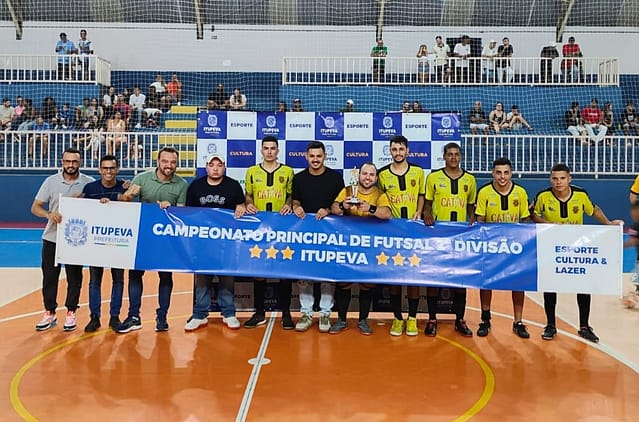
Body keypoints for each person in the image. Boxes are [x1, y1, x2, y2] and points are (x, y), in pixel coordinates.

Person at [531, 163, 623, 343]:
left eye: (562, 178)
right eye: (555, 178)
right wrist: (546, 224)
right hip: (552, 247)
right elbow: (533, 214)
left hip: (576, 247)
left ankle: (584, 326)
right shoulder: (543, 196)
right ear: (550, 179)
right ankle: (550, 325)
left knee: (583, 285)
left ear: (569, 179)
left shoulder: (580, 195)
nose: (558, 182)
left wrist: (608, 224)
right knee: (550, 285)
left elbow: (593, 209)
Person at [117, 147, 188, 333]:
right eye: (165, 161)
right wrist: (128, 195)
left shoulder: (181, 184)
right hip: (143, 235)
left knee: (165, 276)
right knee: (135, 274)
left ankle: (162, 317)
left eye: (173, 162)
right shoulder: (142, 178)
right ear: (158, 162)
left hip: (166, 239)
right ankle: (134, 316)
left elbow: (182, 214)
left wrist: (171, 207)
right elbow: (125, 201)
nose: (169, 165)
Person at [31, 148, 94, 331]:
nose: (70, 165)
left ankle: (71, 312)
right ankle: (49, 312)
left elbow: (99, 206)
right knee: (49, 277)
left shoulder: (88, 183)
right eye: (67, 161)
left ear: (80, 163)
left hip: (76, 240)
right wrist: (49, 214)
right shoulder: (51, 181)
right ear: (62, 162)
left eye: (74, 162)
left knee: (75, 277)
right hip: (52, 238)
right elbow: (35, 207)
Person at [184, 154, 246, 332]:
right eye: (212, 165)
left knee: (227, 277)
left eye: (219, 165)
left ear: (224, 167)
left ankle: (228, 313)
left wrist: (241, 207)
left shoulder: (233, 186)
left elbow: (241, 207)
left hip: (226, 242)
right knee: (202, 278)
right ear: (206, 167)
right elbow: (188, 213)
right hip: (202, 242)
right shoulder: (196, 186)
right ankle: (199, 314)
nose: (216, 168)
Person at [329, 163, 392, 335]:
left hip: (369, 246)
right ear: (358, 175)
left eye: (371, 175)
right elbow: (333, 209)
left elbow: (386, 214)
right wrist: (343, 206)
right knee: (343, 282)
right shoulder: (348, 190)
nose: (367, 177)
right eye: (364, 174)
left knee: (367, 283)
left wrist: (370, 208)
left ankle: (363, 320)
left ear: (376, 178)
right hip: (348, 244)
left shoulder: (380, 194)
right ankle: (341, 320)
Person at [475, 157, 532, 339]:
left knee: (518, 283)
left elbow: (525, 219)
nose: (502, 176)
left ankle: (518, 322)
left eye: (506, 173)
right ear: (493, 173)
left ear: (511, 173)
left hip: (514, 246)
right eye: (498, 172)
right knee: (486, 282)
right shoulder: (484, 192)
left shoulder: (520, 192)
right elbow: (480, 220)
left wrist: (522, 241)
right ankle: (485, 319)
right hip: (492, 246)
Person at [423, 142, 476, 337]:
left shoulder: (470, 179)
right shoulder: (433, 177)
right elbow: (427, 203)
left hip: (460, 237)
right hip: (438, 236)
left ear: (460, 156)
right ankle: (432, 319)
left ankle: (460, 319)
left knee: (460, 281)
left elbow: (471, 205)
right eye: (450, 154)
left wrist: (472, 219)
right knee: (434, 279)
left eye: (456, 154)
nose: (453, 157)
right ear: (444, 157)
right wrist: (427, 214)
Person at [292, 141, 345, 332]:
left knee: (327, 274)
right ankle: (306, 313)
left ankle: (325, 314)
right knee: (303, 274)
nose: (315, 159)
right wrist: (296, 206)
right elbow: (295, 199)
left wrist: (328, 210)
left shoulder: (336, 178)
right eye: (312, 156)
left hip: (328, 234)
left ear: (325, 156)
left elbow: (341, 205)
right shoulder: (298, 178)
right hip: (304, 233)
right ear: (306, 157)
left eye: (319, 156)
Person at [243, 136, 295, 329]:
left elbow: (291, 195)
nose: (270, 151)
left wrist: (289, 204)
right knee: (259, 271)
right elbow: (248, 195)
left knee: (284, 271)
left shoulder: (288, 171)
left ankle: (286, 313)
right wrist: (249, 204)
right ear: (261, 150)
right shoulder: (251, 172)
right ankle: (259, 312)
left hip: (282, 228)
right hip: (260, 228)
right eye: (266, 148)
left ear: (278, 150)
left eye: (273, 148)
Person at [377, 135, 425, 336]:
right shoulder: (382, 175)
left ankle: (412, 318)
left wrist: (419, 211)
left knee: (413, 276)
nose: (398, 153)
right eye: (394, 149)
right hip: (392, 232)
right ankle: (397, 318)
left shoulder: (418, 172)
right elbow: (378, 199)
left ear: (407, 150)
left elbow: (421, 195)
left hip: (413, 231)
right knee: (395, 276)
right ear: (390, 151)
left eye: (401, 149)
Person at [81, 155, 128, 332]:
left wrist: (122, 198)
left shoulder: (125, 187)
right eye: (105, 168)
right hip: (96, 242)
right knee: (94, 281)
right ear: (99, 170)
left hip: (118, 241)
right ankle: (94, 317)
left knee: (118, 280)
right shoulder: (90, 188)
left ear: (117, 169)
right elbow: (81, 209)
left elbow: (130, 206)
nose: (108, 171)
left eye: (112, 168)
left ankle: (114, 317)